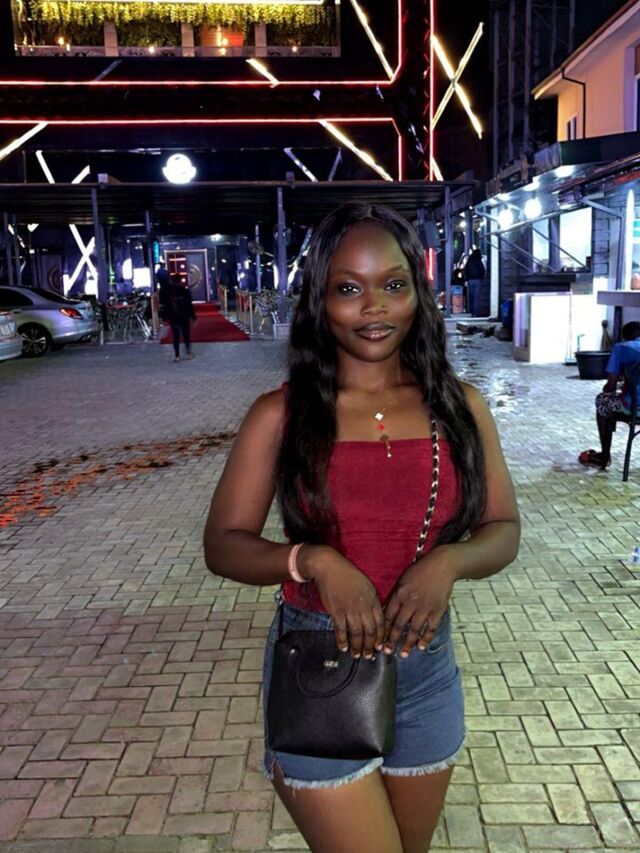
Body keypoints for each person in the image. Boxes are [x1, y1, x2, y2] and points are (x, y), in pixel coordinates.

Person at [203, 203, 520, 853]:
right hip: (320, 667)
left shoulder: (460, 407)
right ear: (320, 300)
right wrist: (313, 561)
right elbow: (223, 545)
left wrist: (448, 562)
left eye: (393, 284)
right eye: (349, 288)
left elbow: (504, 528)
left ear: (417, 293)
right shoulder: (280, 414)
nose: (374, 307)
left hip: (426, 668)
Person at [579, 321, 640, 468]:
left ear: (625, 337)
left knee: (602, 400)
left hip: (634, 407)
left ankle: (604, 456)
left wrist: (611, 388)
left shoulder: (621, 348)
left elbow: (610, 386)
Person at [166, 273, 196, 362]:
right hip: (184, 316)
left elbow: (167, 305)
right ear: (180, 280)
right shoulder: (184, 290)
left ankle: (177, 356)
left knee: (176, 336)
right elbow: (189, 304)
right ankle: (189, 353)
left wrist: (165, 317)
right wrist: (193, 316)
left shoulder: (169, 291)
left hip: (174, 316)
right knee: (186, 334)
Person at [464, 248, 486, 317]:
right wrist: (482, 278)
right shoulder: (479, 261)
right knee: (476, 297)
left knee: (472, 296)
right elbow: (482, 270)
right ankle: (475, 313)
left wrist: (467, 279)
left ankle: (471, 312)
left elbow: (465, 269)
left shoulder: (469, 261)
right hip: (478, 280)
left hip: (470, 280)